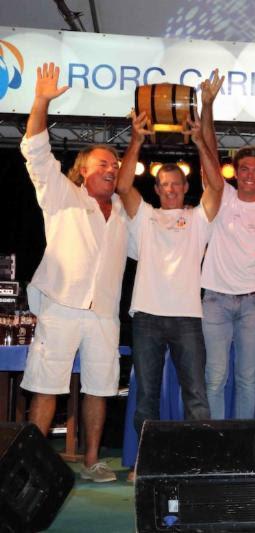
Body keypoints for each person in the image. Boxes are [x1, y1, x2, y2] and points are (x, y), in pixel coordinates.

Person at [19, 63, 128, 482]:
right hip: (61, 304)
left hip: (103, 313)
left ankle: (92, 460)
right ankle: (27, 465)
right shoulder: (62, 195)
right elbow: (35, 150)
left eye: (115, 165)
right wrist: (42, 100)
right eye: (103, 163)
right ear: (84, 169)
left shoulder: (122, 213)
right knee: (48, 384)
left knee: (101, 387)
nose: (111, 168)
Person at [116, 90, 224, 439]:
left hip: (187, 318)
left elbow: (219, 186)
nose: (171, 190)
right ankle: (146, 463)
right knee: (146, 396)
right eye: (164, 185)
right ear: (158, 189)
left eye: (176, 184)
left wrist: (198, 142)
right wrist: (135, 140)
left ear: (185, 186)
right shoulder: (144, 216)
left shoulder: (197, 219)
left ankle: (199, 462)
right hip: (146, 316)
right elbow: (122, 186)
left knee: (196, 395)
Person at [197, 71, 255, 419]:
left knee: (248, 380)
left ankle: (242, 448)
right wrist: (207, 105)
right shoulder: (222, 194)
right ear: (234, 172)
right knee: (215, 378)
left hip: (252, 305)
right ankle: (217, 445)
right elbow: (209, 149)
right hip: (214, 299)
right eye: (243, 168)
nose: (249, 174)